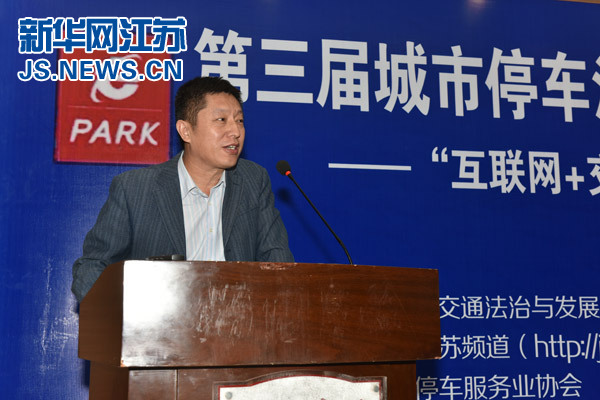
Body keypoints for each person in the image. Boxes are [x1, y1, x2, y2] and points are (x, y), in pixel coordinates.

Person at [71, 76, 294, 302]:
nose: (235, 131)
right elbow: (92, 267)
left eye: (239, 120)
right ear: (186, 131)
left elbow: (278, 263)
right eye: (221, 120)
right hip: (160, 319)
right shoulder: (135, 189)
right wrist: (128, 314)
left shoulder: (253, 180)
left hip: (239, 318)